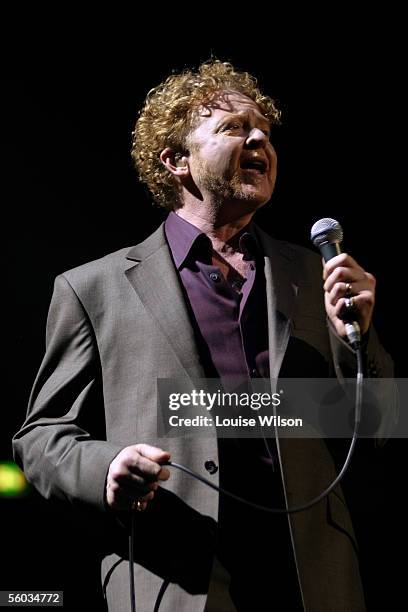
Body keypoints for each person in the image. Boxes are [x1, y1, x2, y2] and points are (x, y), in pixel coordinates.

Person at [13, 60, 394, 611]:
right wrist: (106, 470)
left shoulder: (314, 275)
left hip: (312, 579)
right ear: (176, 161)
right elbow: (41, 437)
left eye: (264, 128)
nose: (260, 136)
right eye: (234, 128)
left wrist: (355, 337)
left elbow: (375, 432)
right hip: (176, 576)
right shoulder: (93, 289)